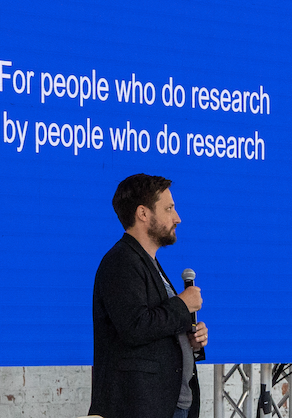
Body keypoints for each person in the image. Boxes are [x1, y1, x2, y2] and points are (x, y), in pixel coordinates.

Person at [89, 174, 209, 418]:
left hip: (170, 404)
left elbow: (156, 327)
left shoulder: (148, 262)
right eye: (169, 209)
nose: (177, 218)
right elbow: (135, 326)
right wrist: (182, 305)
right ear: (143, 214)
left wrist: (190, 340)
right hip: (140, 407)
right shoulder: (121, 262)